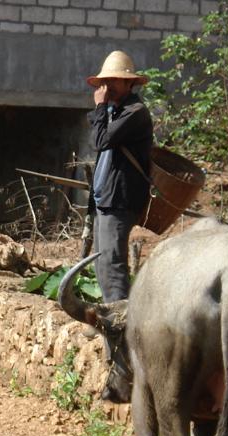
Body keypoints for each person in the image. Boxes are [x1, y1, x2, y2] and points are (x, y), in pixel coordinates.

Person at [86, 50, 154, 304]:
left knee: (113, 265)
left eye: (113, 81)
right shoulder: (115, 112)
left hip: (120, 201)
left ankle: (121, 328)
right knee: (101, 264)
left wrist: (100, 107)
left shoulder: (135, 112)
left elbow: (99, 141)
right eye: (105, 82)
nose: (107, 87)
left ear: (128, 83)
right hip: (105, 199)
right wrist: (104, 110)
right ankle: (111, 319)